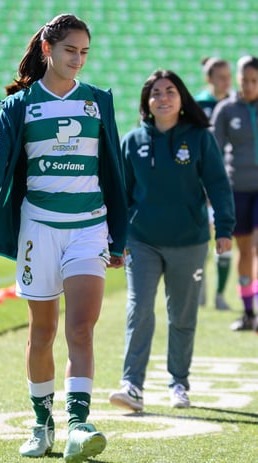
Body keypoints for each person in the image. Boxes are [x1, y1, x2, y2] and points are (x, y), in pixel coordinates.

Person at [0, 14, 128, 462]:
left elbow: (114, 172)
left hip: (89, 228)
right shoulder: (20, 105)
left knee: (81, 328)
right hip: (39, 229)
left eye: (85, 52)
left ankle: (79, 425)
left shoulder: (97, 102)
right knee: (43, 331)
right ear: (48, 50)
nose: (79, 60)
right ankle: (41, 423)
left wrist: (118, 235)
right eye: (71, 51)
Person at [108, 70, 235, 413]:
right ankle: (132, 385)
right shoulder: (132, 141)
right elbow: (120, 195)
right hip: (142, 239)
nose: (163, 98)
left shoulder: (199, 138)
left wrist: (224, 228)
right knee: (139, 308)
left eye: (170, 91)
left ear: (182, 100)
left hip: (189, 241)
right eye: (155, 93)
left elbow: (219, 185)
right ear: (146, 103)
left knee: (181, 315)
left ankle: (179, 382)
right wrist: (116, 241)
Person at [210, 55, 258, 331]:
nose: (250, 86)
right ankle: (248, 312)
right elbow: (213, 151)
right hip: (236, 188)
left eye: (255, 81)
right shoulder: (226, 110)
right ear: (237, 79)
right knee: (244, 251)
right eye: (245, 80)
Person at [195, 57, 233, 310]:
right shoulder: (198, 105)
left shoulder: (236, 105)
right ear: (209, 79)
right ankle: (199, 290)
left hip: (229, 183)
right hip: (200, 183)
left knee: (225, 238)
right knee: (199, 241)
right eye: (220, 77)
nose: (226, 82)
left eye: (229, 77)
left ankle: (220, 294)